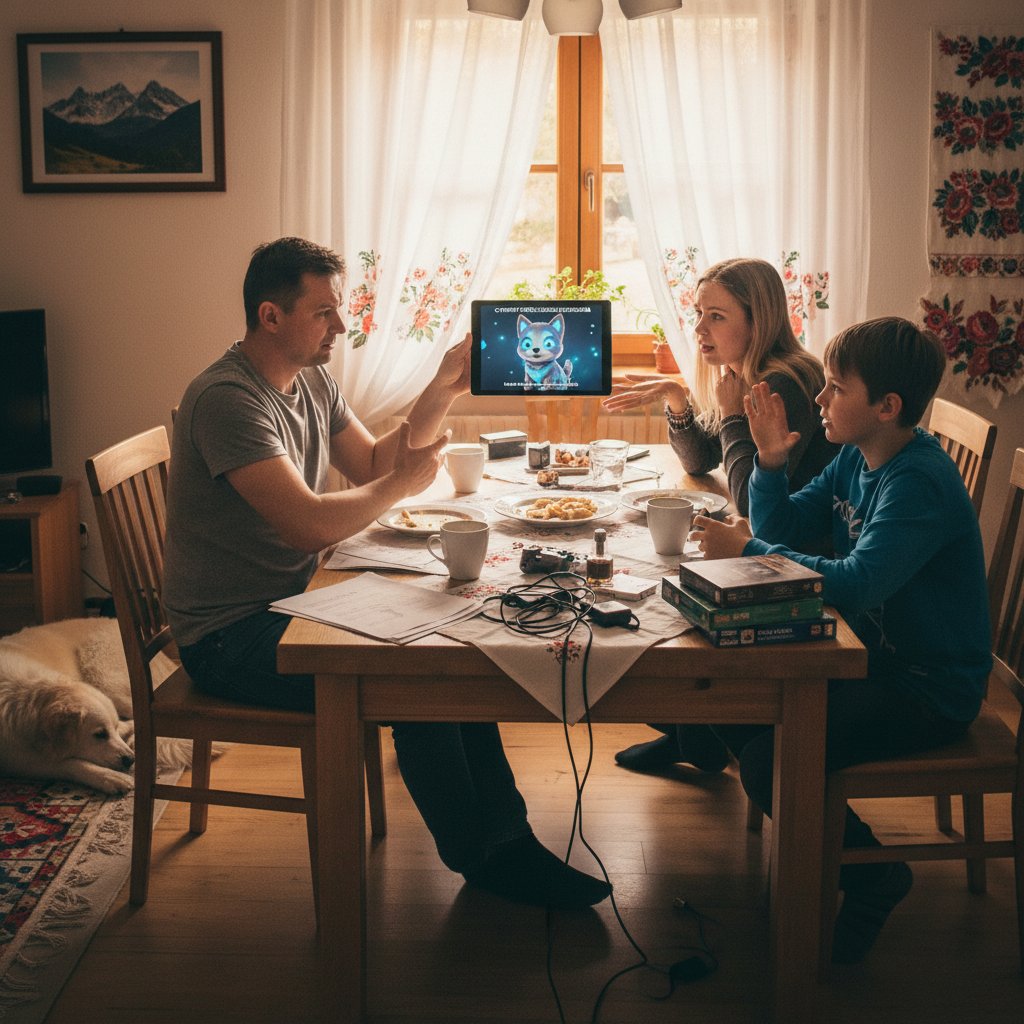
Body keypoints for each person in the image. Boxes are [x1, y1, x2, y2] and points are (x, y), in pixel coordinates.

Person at [163, 237, 611, 911]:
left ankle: (505, 843)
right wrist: (403, 482)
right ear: (271, 316)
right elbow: (311, 525)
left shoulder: (309, 379)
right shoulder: (229, 400)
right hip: (228, 637)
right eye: (324, 314)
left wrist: (440, 389)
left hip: (290, 604)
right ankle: (486, 856)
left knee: (448, 652)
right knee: (414, 681)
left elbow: (371, 464)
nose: (340, 328)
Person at [690, 316, 992, 963]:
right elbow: (793, 527)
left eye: (834, 388)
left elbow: (854, 585)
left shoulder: (917, 483)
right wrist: (769, 463)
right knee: (736, 708)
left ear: (887, 407)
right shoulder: (860, 456)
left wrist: (748, 548)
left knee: (772, 757)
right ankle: (821, 850)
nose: (820, 400)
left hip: (929, 688)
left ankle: (875, 875)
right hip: (876, 662)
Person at [608, 257, 839, 772]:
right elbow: (701, 460)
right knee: (661, 574)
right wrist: (676, 401)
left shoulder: (780, 384)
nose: (698, 329)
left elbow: (748, 502)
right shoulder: (748, 374)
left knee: (660, 596)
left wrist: (734, 415)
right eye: (698, 313)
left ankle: (699, 729)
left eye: (716, 316)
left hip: (799, 565)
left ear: (757, 321)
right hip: (781, 547)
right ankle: (697, 732)